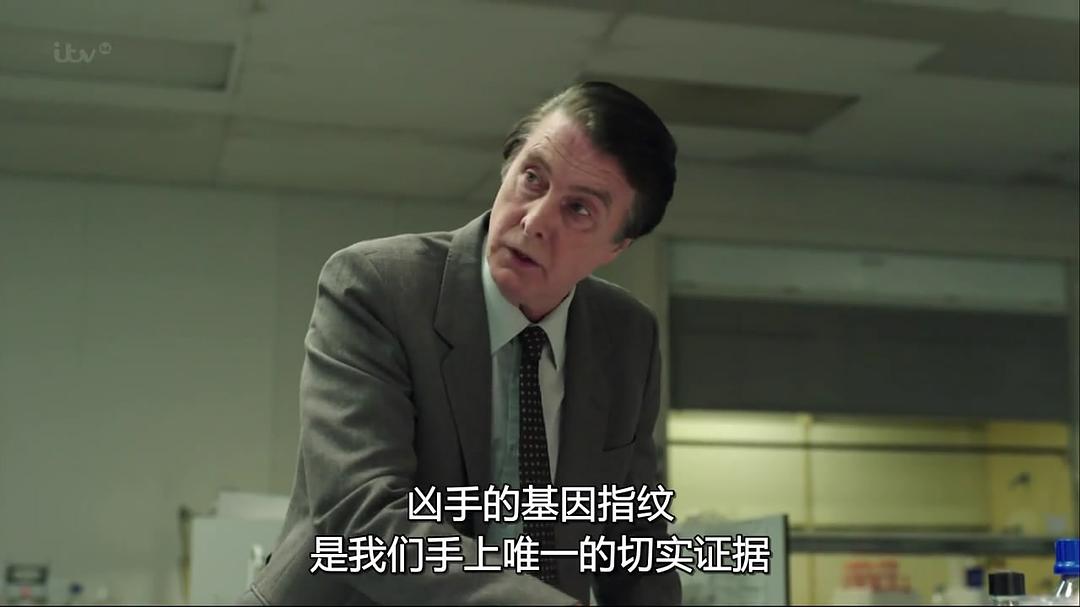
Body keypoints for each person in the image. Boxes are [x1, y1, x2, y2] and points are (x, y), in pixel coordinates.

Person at [240, 81, 680, 605]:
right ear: (508, 167)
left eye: (579, 210)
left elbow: (635, 542)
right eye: (532, 178)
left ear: (617, 246)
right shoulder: (377, 288)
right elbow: (363, 517)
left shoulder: (626, 336)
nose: (534, 221)